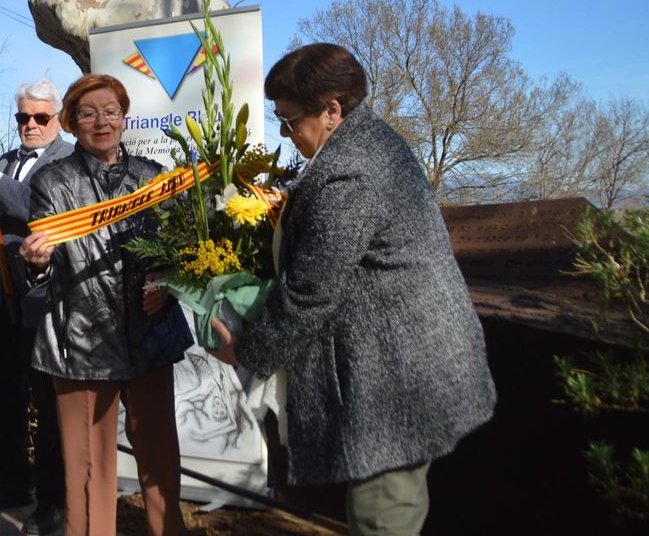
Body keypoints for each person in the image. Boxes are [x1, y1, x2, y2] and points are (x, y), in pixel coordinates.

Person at [208, 43, 497, 536]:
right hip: (416, 364)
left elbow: (310, 294)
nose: (286, 133)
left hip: (396, 384)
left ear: (332, 110)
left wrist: (249, 351)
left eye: (290, 120)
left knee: (380, 516)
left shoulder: (348, 173)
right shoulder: (372, 143)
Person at [21, 74, 192, 536]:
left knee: (160, 463)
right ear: (72, 122)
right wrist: (36, 264)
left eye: (111, 111)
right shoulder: (52, 182)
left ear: (124, 117)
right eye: (89, 113)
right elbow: (46, 263)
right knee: (88, 471)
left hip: (150, 336)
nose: (102, 122)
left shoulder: (152, 177)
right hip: (81, 341)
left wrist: (168, 280)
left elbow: (178, 248)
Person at [0, 79, 72, 535]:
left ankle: (52, 501)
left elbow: (53, 212)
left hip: (44, 301)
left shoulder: (69, 161)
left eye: (40, 117)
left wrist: (2, 192)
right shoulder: (4, 161)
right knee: (0, 399)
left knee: (48, 408)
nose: (30, 125)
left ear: (57, 118)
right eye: (23, 117)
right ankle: (10, 481)